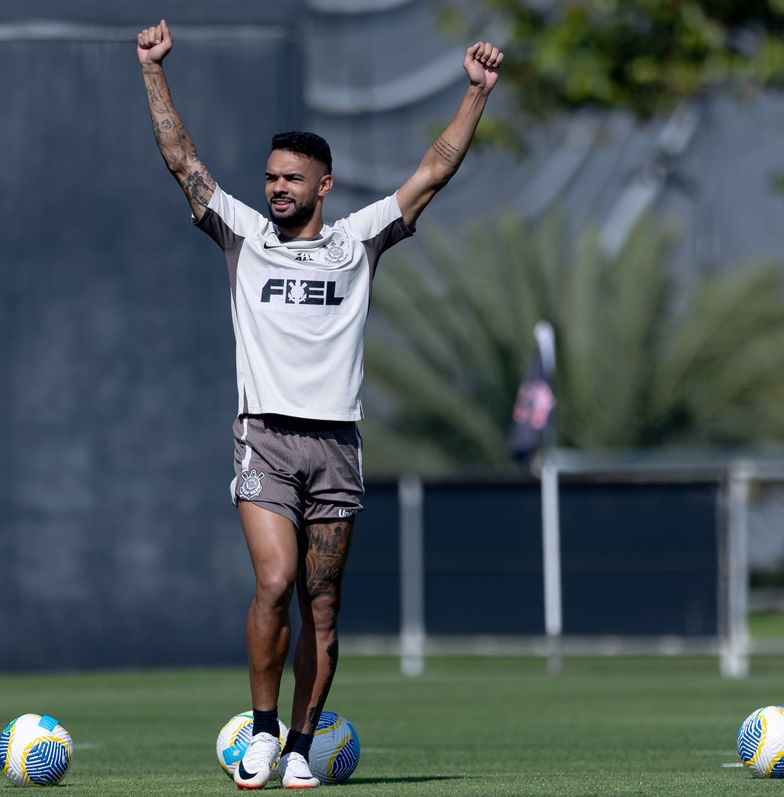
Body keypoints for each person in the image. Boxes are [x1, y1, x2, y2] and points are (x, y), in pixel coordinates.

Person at [136, 18, 502, 790]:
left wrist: (475, 92)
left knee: (323, 605)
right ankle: (263, 731)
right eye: (271, 176)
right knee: (273, 583)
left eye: (291, 178)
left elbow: (434, 170)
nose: (276, 187)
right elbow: (182, 161)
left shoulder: (358, 241)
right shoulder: (242, 235)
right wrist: (152, 70)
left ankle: (303, 745)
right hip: (264, 438)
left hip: (336, 446)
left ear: (323, 186)